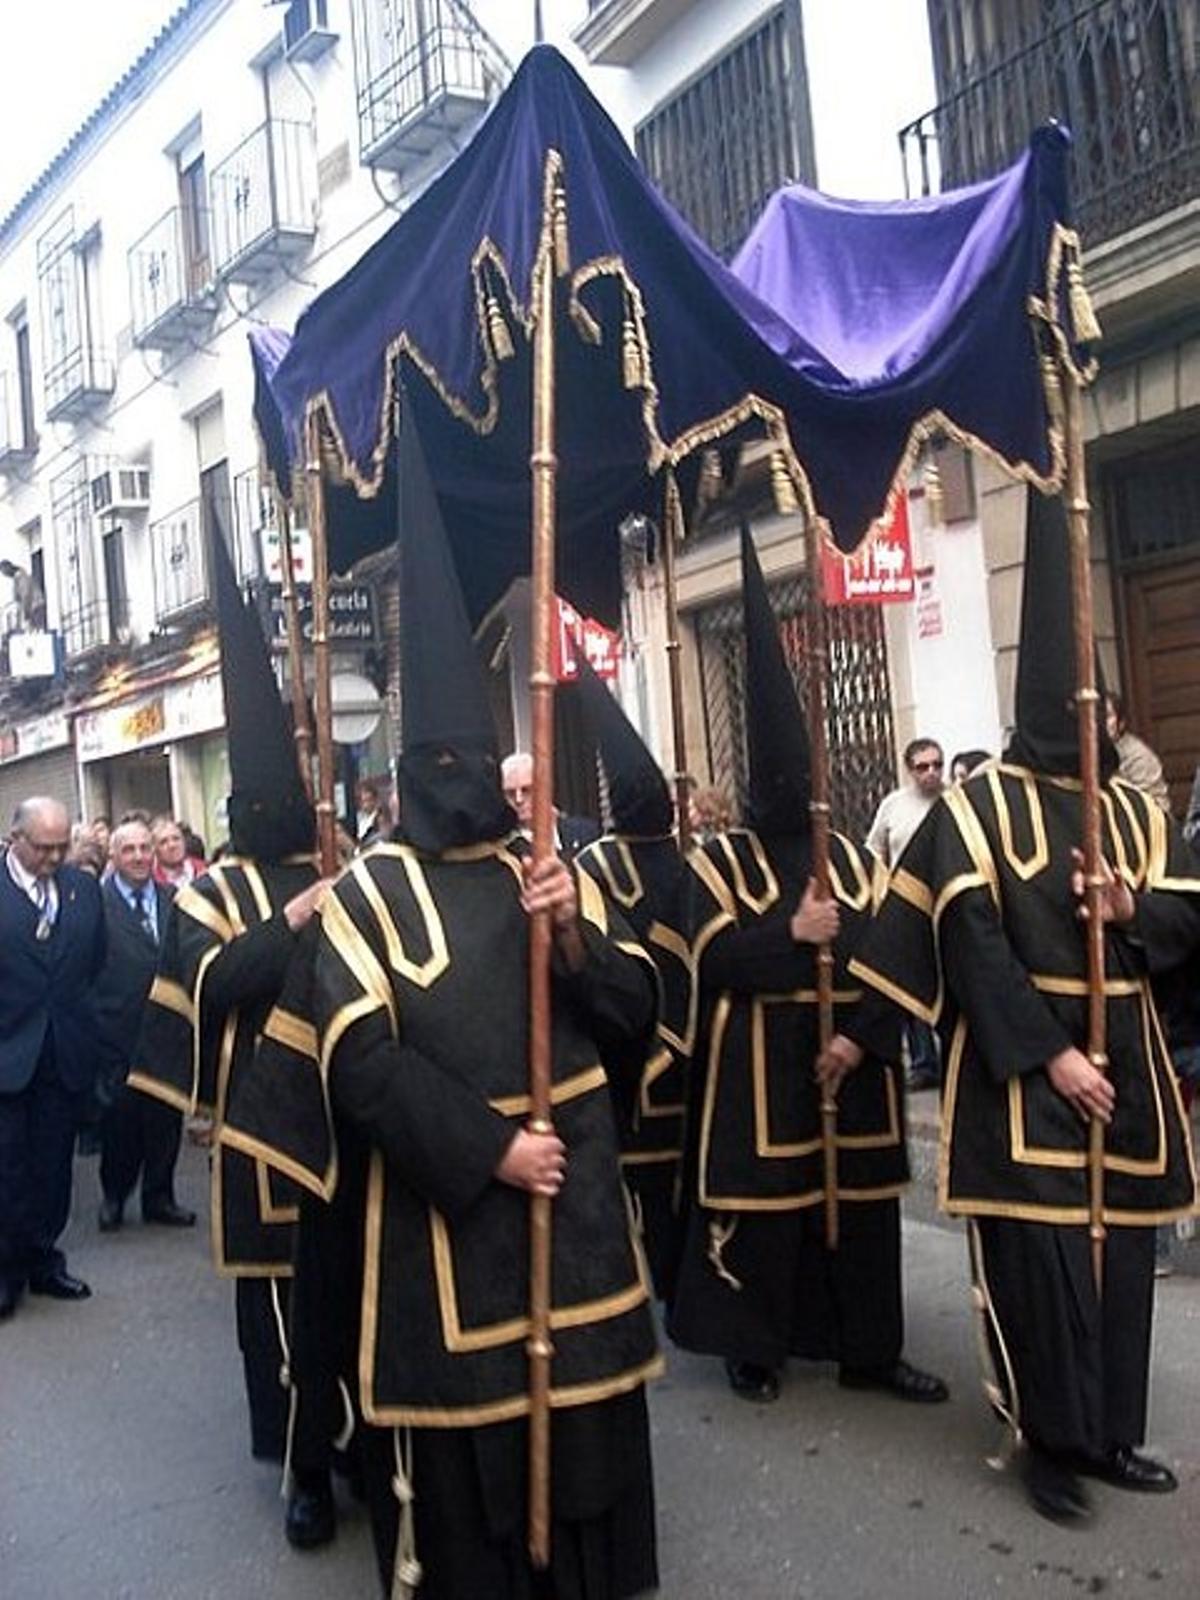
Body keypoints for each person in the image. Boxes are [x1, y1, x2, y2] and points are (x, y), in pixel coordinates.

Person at [226, 402, 661, 1599]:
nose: (476, 785)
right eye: (452, 768)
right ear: (419, 773)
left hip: (575, 1220)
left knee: (590, 1458)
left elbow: (637, 1016)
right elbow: (359, 1070)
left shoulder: (546, 869)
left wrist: (574, 935)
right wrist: (491, 1152)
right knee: (471, 1501)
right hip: (446, 1231)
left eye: (490, 764)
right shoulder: (368, 895)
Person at [835, 490, 1200, 1524]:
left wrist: (1131, 908)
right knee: (1038, 1268)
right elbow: (970, 943)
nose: (1083, 718)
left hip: (1123, 1062)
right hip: (1019, 1075)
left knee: (1121, 1259)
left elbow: (1186, 918)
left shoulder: (1135, 807)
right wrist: (1050, 1058)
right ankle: (1045, 1441)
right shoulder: (974, 805)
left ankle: (1109, 1432)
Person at [668, 527, 947, 1410]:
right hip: (759, 1072)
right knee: (770, 1217)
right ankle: (759, 1345)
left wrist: (862, 1040)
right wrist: (795, 931)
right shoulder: (720, 860)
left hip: (847, 1064)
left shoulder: (853, 855)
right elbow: (710, 958)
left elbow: (896, 954)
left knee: (864, 1215)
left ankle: (870, 1348)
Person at [130, 526, 337, 1550]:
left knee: (348, 1297)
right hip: (261, 1139)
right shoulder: (214, 895)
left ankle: (354, 1446)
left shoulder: (336, 867)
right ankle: (301, 1468)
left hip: (348, 1122)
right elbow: (214, 989)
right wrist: (296, 917)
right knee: (279, 1321)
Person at [572, 658, 708, 1299]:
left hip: (694, 1042)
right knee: (648, 1183)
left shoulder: (698, 864)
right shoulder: (594, 868)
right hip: (629, 1052)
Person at [0, 796, 106, 1320]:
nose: (54, 856)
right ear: (14, 838)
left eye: (63, 846)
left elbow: (94, 965)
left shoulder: (83, 890)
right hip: (6, 1056)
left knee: (51, 1168)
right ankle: (5, 1272)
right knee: (6, 1171)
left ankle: (44, 1259)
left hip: (63, 1052)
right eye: (44, 847)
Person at [94, 819, 194, 1233]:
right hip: (117, 1034)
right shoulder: (96, 906)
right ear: (114, 857)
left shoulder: (176, 899)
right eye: (129, 850)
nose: (138, 857)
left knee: (165, 1120)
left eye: (144, 849)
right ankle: (115, 1196)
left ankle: (159, 1197)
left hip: (167, 1031)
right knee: (121, 1122)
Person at [866, 737, 946, 1091]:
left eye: (936, 765)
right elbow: (874, 848)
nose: (931, 773)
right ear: (909, 769)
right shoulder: (894, 806)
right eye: (923, 767)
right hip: (907, 906)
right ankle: (924, 1061)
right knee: (911, 984)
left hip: (947, 903)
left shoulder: (953, 800)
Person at [501, 749, 601, 862]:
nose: (518, 800)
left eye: (526, 790)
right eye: (510, 793)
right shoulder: (505, 849)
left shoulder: (586, 832)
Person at [1105, 693, 1170, 811]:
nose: (1101, 722)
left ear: (1121, 723)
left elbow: (1149, 807)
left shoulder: (1138, 757)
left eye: (1108, 716)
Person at [150, 815, 206, 887]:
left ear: (184, 842)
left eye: (176, 839)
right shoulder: (151, 882)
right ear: (154, 849)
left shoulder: (205, 871)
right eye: (163, 842)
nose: (172, 845)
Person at [353, 778, 391, 847]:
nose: (365, 805)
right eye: (362, 801)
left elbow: (384, 837)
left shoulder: (380, 816)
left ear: (374, 798)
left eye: (368, 800)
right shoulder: (360, 818)